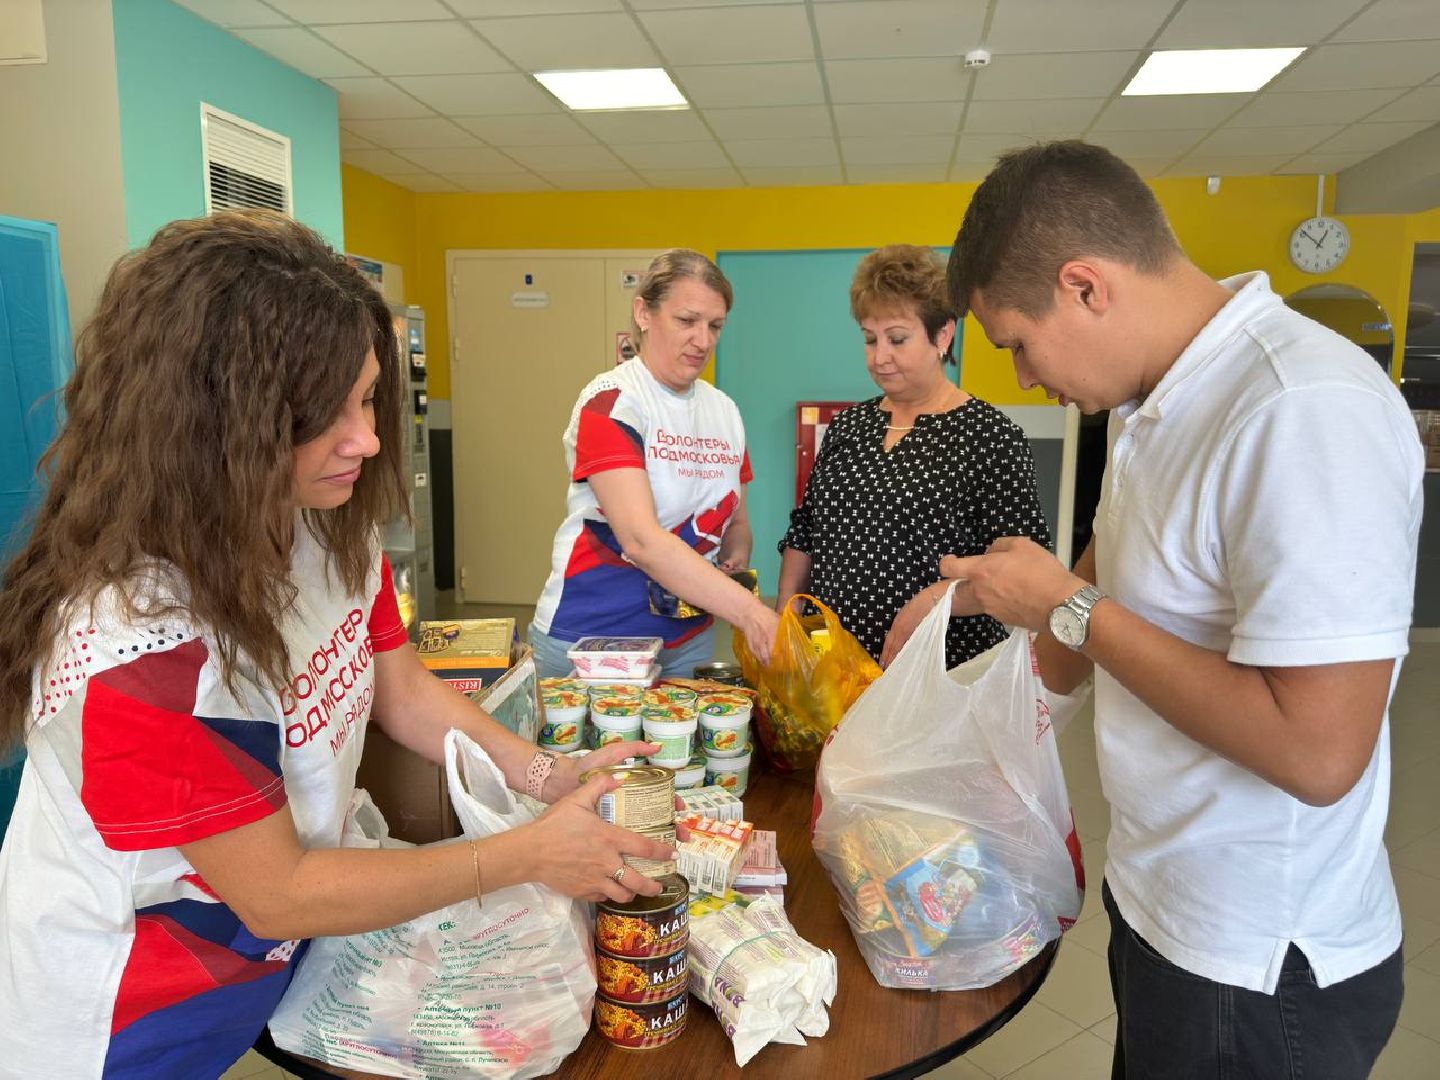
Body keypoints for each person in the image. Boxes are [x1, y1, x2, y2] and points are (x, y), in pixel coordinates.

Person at [0, 211, 674, 1080]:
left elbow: (396, 686)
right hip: (122, 1018)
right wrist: (522, 855)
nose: (368, 438)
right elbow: (277, 890)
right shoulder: (139, 651)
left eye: (365, 398)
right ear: (211, 428)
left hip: (266, 975)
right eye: (327, 416)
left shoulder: (318, 528)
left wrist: (545, 775)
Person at [942, 141, 1419, 1077]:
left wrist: (1066, 605)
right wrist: (964, 713)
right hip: (1163, 900)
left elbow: (1320, 754)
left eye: (1017, 346)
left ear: (1084, 287)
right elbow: (1108, 576)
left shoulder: (1300, 409)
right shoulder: (1150, 400)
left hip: (1258, 963)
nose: (1027, 380)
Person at [776, 244, 1051, 669]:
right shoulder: (849, 427)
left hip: (938, 667)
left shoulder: (990, 437)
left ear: (943, 334)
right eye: (870, 339)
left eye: (897, 339)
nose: (879, 356)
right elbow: (806, 529)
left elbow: (1020, 570)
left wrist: (933, 601)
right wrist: (786, 617)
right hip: (830, 663)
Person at [529, 249, 779, 678]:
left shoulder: (725, 411)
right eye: (687, 321)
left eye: (715, 325)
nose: (704, 340)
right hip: (594, 639)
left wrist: (735, 556)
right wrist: (753, 613)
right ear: (643, 313)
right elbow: (640, 540)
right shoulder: (612, 403)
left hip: (689, 638)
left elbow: (737, 521)